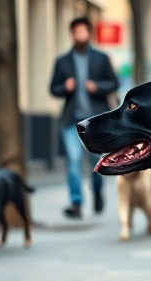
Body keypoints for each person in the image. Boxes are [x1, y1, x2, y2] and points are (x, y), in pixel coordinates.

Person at [49, 16, 120, 219]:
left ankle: (97, 192)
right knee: (73, 160)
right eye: (76, 31)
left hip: (96, 121)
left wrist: (97, 87)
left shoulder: (101, 58)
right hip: (71, 120)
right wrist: (64, 87)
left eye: (83, 31)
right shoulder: (62, 61)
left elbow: (114, 83)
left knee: (96, 162)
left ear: (89, 33)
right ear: (72, 34)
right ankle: (76, 203)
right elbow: (52, 88)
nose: (80, 35)